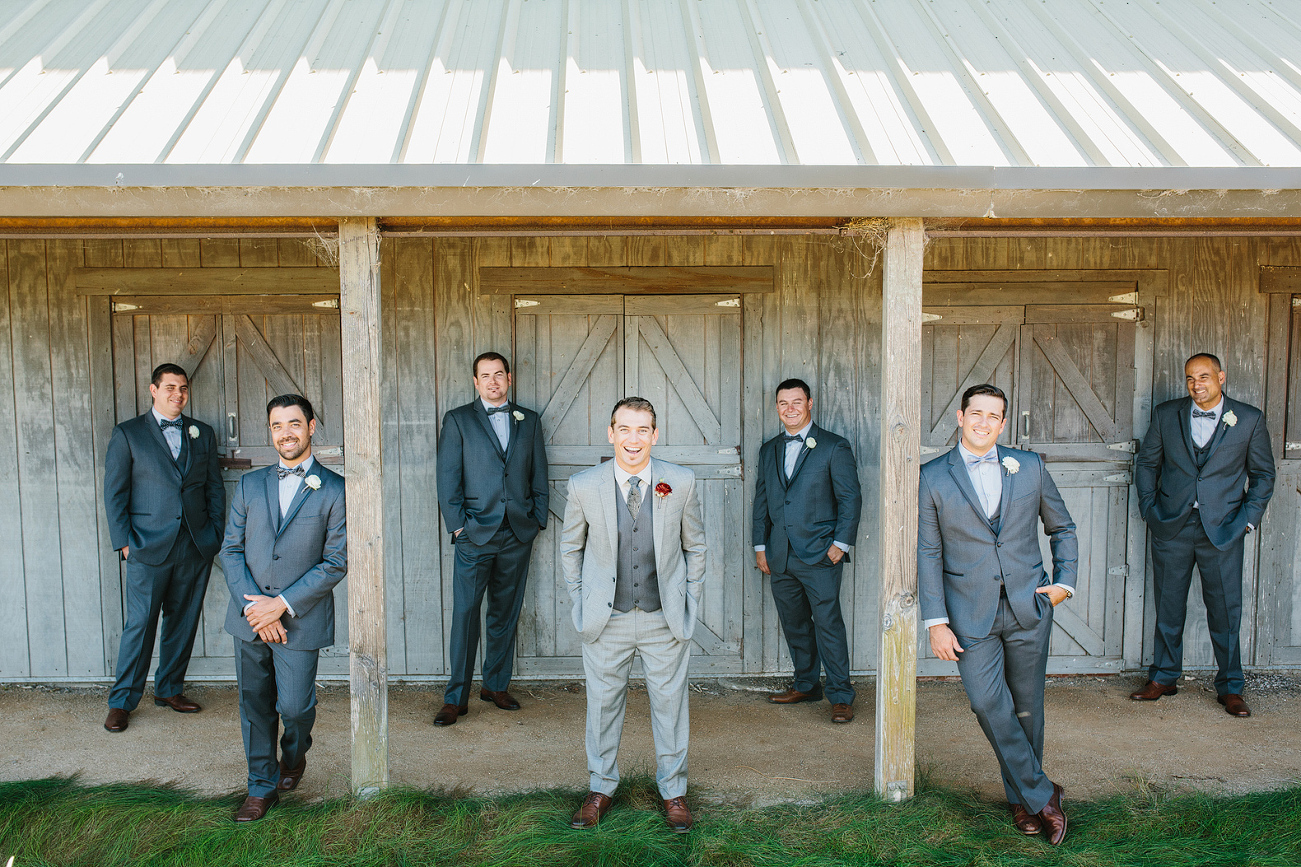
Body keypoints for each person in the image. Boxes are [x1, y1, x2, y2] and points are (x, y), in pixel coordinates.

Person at [919, 383, 1077, 845]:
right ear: (960, 416)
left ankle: (1021, 802)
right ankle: (1045, 795)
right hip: (969, 615)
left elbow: (1062, 526)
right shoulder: (933, 476)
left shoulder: (1028, 466)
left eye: (994, 415)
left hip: (1030, 606)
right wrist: (936, 621)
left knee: (1027, 710)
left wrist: (1062, 585)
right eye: (977, 413)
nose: (984, 422)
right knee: (988, 702)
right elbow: (928, 552)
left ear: (1003, 423)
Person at [560, 397, 707, 833]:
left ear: (655, 435)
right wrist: (581, 603)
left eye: (643, 430)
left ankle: (673, 792)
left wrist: (688, 603)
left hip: (664, 618)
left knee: (670, 705)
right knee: (603, 706)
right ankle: (600, 788)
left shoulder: (679, 481)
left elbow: (695, 547)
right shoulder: (584, 485)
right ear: (611, 433)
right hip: (608, 619)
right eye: (624, 429)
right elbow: (571, 549)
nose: (633, 439)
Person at [220, 394, 347, 822]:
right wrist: (257, 608)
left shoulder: (335, 489)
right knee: (254, 703)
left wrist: (281, 606)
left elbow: (336, 561)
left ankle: (294, 756)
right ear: (270, 431)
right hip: (249, 617)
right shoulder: (250, 485)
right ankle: (260, 786)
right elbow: (230, 550)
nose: (286, 433)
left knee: (294, 707)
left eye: (294, 424)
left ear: (311, 427)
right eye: (277, 426)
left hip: (300, 619)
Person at [1131, 353, 1275, 717]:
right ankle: (1164, 677)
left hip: (1224, 529)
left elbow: (1263, 477)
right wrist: (1149, 509)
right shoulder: (1167, 414)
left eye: (1204, 377)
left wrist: (1246, 521)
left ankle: (1230, 687)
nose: (1197, 385)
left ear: (1221, 377)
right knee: (1168, 606)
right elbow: (1148, 463)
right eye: (1191, 378)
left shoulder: (1249, 418)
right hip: (1171, 525)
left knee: (1226, 611)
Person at [102, 362, 223, 733]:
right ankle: (122, 702)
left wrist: (214, 534)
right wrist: (124, 543)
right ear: (153, 390)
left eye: (183, 388)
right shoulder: (128, 434)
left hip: (194, 545)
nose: (178, 395)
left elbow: (214, 488)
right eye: (170, 388)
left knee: (183, 621)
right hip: (147, 546)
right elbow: (114, 492)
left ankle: (169, 689)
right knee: (140, 625)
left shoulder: (202, 433)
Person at [435, 351, 549, 725]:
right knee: (466, 614)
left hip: (517, 532)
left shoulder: (528, 421)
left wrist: (536, 520)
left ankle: (495, 685)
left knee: (505, 612)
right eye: (485, 376)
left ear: (509, 378)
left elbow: (539, 475)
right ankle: (456, 696)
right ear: (476, 382)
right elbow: (447, 479)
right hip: (475, 535)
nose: (493, 382)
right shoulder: (458, 420)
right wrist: (458, 527)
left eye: (499, 374)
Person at [752, 378, 862, 723]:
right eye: (783, 403)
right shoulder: (768, 449)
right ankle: (806, 684)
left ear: (810, 404)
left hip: (820, 555)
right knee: (794, 623)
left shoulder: (833, 446)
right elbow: (762, 500)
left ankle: (841, 695)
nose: (790, 408)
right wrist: (760, 546)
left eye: (797, 402)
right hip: (780, 555)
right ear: (777, 407)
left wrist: (839, 545)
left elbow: (850, 498)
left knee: (828, 624)